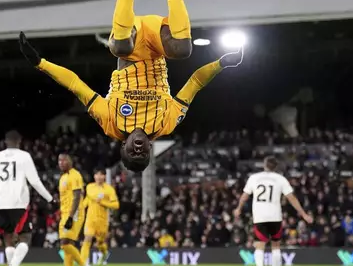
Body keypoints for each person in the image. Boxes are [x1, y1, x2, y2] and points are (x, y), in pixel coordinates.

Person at [18, 31, 244, 173]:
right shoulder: (167, 123)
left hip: (128, 47)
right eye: (143, 154)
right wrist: (221, 63)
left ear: (122, 146)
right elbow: (195, 82)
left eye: (132, 153)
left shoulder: (109, 122)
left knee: (126, 30)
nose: (138, 149)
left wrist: (40, 63)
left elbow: (76, 85)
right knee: (183, 46)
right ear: (150, 149)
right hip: (158, 46)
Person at [0, 130, 54, 266]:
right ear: (19, 141)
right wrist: (50, 198)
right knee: (25, 238)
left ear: (6, 142)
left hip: (1, 204)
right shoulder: (24, 156)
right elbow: (34, 181)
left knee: (8, 240)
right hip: (19, 204)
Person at [233, 157, 314, 266]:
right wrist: (304, 214)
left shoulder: (254, 178)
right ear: (276, 167)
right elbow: (291, 198)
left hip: (259, 216)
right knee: (276, 246)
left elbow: (244, 196)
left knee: (259, 246)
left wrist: (238, 208)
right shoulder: (280, 179)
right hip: (275, 216)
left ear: (264, 165)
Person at [56, 154, 92, 266]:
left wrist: (71, 217)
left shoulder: (75, 175)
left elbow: (77, 196)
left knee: (65, 243)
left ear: (70, 162)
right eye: (59, 160)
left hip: (74, 213)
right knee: (67, 246)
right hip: (64, 213)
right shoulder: (63, 177)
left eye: (64, 160)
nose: (61, 162)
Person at [80, 168, 119, 265]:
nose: (99, 176)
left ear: (104, 176)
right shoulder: (89, 187)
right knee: (87, 238)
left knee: (100, 243)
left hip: (102, 221)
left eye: (101, 174)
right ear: (94, 176)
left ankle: (105, 253)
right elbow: (87, 200)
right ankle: (83, 264)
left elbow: (116, 205)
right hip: (90, 219)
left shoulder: (109, 189)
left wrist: (103, 202)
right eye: (97, 174)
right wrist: (79, 208)